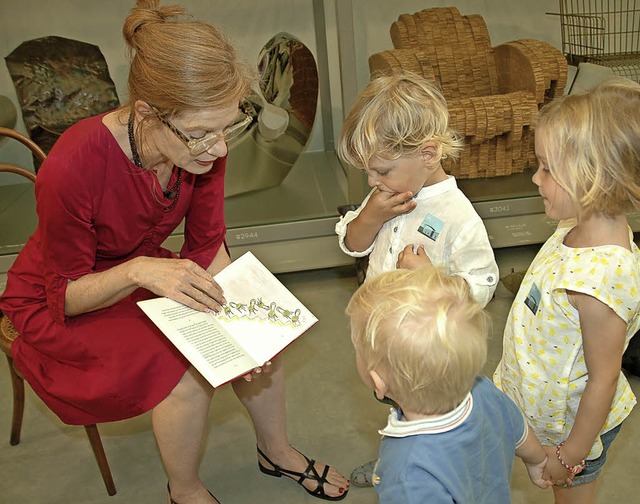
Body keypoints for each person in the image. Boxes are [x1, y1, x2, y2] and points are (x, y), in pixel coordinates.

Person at [0, 1, 348, 503]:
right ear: (146, 113)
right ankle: (184, 490)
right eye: (203, 133)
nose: (220, 149)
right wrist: (139, 270)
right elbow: (66, 296)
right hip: (65, 293)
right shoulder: (71, 167)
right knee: (184, 366)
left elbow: (208, 245)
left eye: (227, 127)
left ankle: (277, 450)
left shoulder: (203, 144)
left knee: (258, 337)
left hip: (146, 270)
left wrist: (239, 326)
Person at [334, 71, 499, 485]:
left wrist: (432, 279)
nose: (372, 182)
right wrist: (370, 216)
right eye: (368, 172)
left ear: (427, 154)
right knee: (399, 406)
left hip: (430, 348)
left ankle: (438, 475)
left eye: (381, 170)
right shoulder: (386, 194)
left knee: (436, 417)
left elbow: (483, 281)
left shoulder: (458, 217)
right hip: (388, 334)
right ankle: (398, 460)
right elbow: (352, 244)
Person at [494, 77, 640, 504]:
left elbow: (604, 377)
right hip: (536, 405)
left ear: (596, 177)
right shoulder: (572, 227)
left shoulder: (602, 280)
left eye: (547, 168)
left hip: (570, 429)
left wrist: (571, 455)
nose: (535, 178)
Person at [346, 266, 552, 503]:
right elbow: (516, 427)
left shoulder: (409, 477)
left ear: (378, 383)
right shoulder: (483, 389)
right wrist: (537, 460)